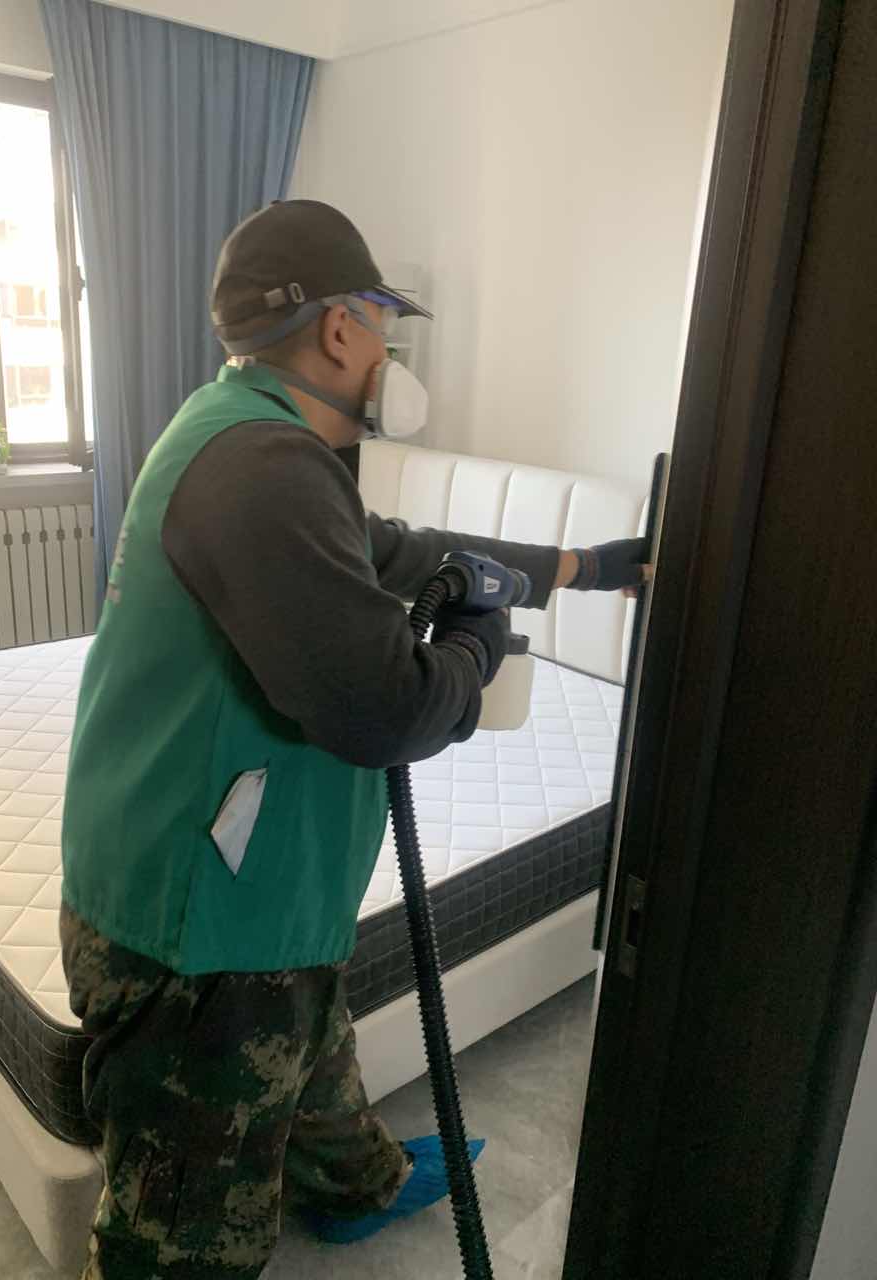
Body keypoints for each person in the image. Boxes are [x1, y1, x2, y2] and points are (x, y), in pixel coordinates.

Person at [60, 199, 649, 1279]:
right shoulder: (266, 471)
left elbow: (406, 548)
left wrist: (586, 568)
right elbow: (387, 709)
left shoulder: (246, 434)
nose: (389, 351)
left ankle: (355, 1184)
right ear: (341, 327)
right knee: (181, 1231)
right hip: (198, 933)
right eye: (384, 323)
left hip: (254, 892)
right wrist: (475, 645)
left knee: (309, 1034)